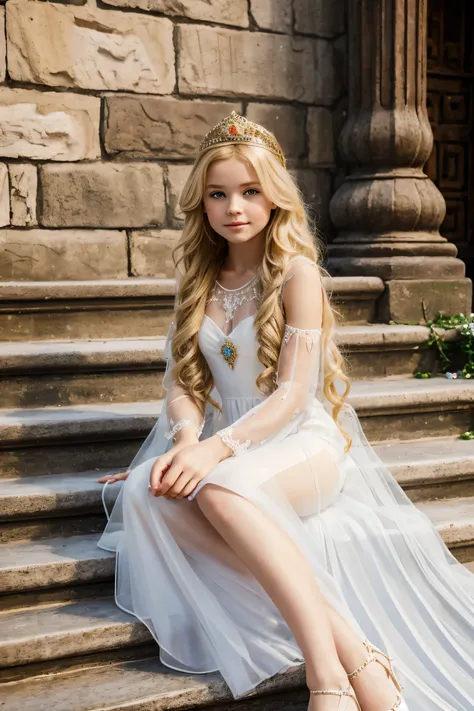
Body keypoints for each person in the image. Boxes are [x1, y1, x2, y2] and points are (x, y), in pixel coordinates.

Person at [97, 112, 474, 711]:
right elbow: (185, 384)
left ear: (275, 197)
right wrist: (187, 440)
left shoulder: (297, 274)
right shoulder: (198, 280)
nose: (234, 207)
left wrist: (213, 451)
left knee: (220, 492)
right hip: (235, 444)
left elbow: (294, 396)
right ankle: (359, 653)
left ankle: (326, 674)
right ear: (203, 203)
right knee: (149, 491)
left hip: (302, 444)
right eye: (218, 194)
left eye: (250, 191)